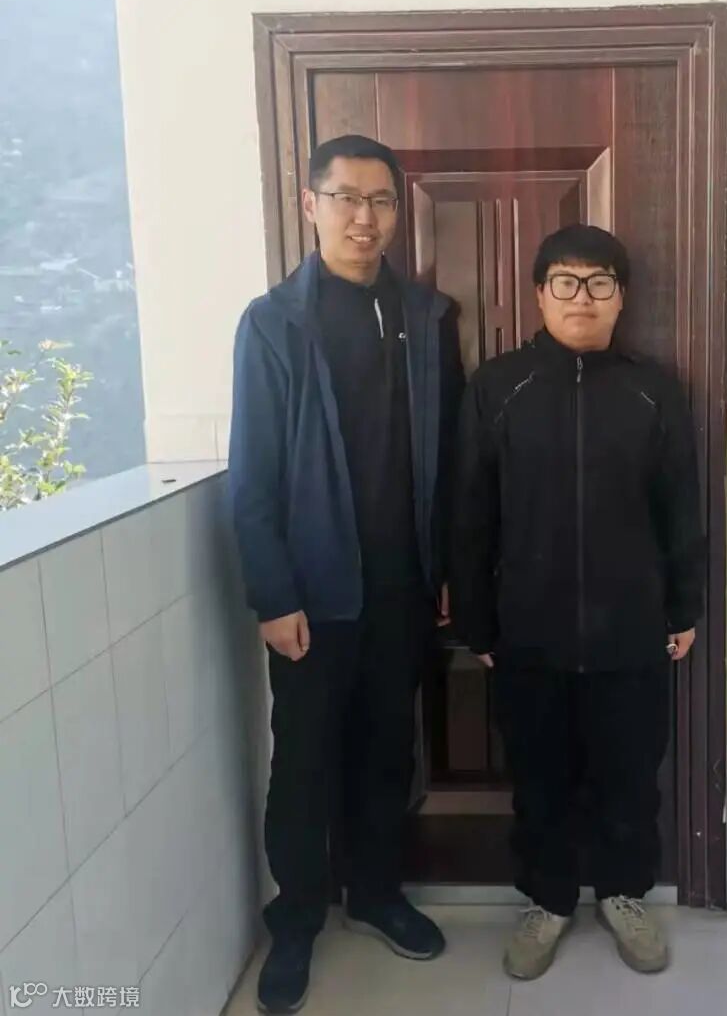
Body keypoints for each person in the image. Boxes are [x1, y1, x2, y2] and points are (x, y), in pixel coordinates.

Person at [229, 134, 464, 1014]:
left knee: (386, 749)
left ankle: (375, 893)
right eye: (347, 198)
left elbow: (449, 455)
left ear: (399, 210)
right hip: (312, 593)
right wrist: (272, 593)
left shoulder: (428, 317)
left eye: (382, 200)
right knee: (304, 760)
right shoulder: (273, 323)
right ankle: (295, 919)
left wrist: (448, 567)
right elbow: (252, 470)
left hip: (403, 585)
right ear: (311, 204)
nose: (366, 218)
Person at [452, 224, 705, 981]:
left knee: (631, 776)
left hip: (633, 629)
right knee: (540, 779)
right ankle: (548, 900)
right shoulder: (499, 387)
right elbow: (469, 514)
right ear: (539, 294)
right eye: (565, 281)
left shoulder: (654, 390)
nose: (582, 298)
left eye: (600, 283)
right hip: (529, 630)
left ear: (621, 297)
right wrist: (477, 622)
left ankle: (624, 894)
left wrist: (684, 608)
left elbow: (681, 509)